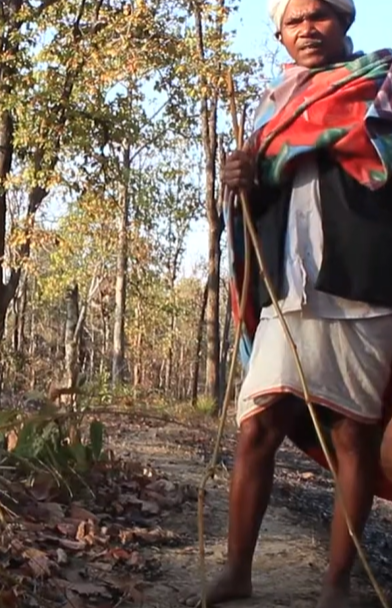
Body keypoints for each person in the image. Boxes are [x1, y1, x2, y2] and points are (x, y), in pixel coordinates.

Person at [186, 1, 392, 607]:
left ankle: (336, 584)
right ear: (279, 31)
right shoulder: (271, 109)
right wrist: (242, 178)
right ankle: (237, 571)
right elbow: (256, 198)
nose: (308, 27)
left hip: (362, 283)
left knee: (353, 434)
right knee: (256, 428)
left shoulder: (380, 86)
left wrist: (318, 146)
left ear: (346, 22)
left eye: (320, 15)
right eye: (294, 19)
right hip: (285, 288)